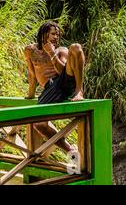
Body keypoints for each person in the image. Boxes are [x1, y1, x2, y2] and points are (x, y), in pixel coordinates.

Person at [24, 21, 85, 152]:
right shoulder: (30, 50)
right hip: (49, 89)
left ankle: (79, 91)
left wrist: (52, 54)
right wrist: (30, 94)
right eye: (53, 34)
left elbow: (64, 71)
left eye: (57, 34)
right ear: (43, 34)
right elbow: (32, 73)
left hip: (64, 83)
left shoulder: (61, 50)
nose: (56, 37)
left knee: (76, 47)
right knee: (38, 124)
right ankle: (70, 150)